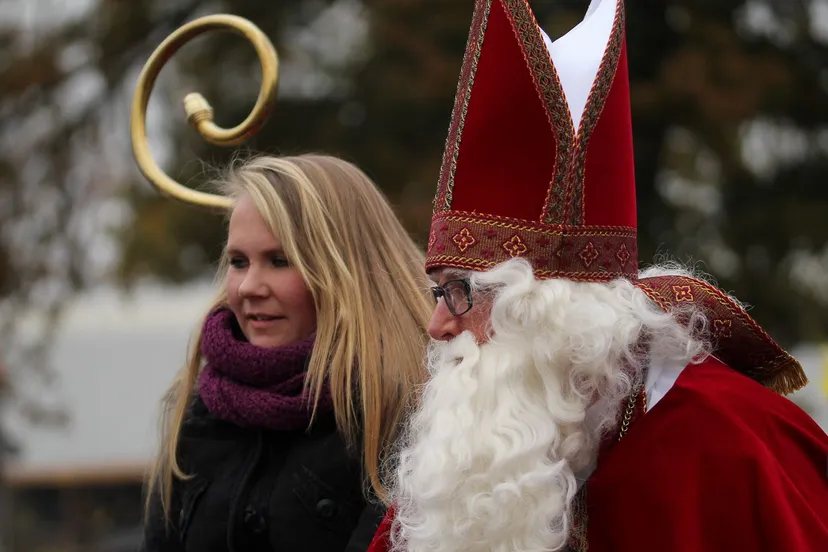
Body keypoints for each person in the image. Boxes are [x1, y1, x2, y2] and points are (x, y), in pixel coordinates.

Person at [368, 1, 828, 551]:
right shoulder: (475, 453)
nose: (437, 324)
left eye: (460, 292)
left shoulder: (730, 443)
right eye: (438, 292)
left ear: (555, 311)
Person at [141, 154, 433, 552]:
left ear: (346, 270)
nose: (249, 287)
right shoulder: (198, 414)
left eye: (279, 261)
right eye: (238, 262)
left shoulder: (407, 412)